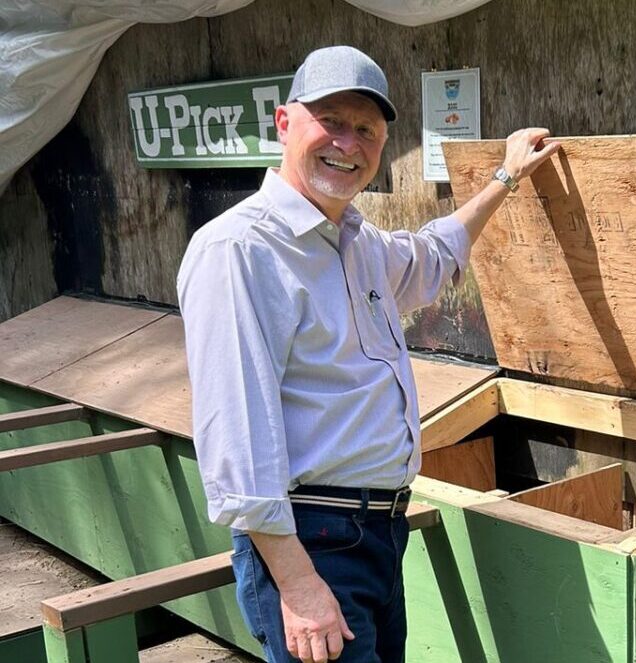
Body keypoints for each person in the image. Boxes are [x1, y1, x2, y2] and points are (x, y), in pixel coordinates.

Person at [177, 45, 559, 663]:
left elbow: (435, 255)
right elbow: (237, 438)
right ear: (284, 123)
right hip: (311, 541)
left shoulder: (358, 243)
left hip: (380, 533)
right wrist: (299, 585)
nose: (347, 144)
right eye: (330, 122)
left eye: (366, 130)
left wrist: (505, 178)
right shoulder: (239, 250)